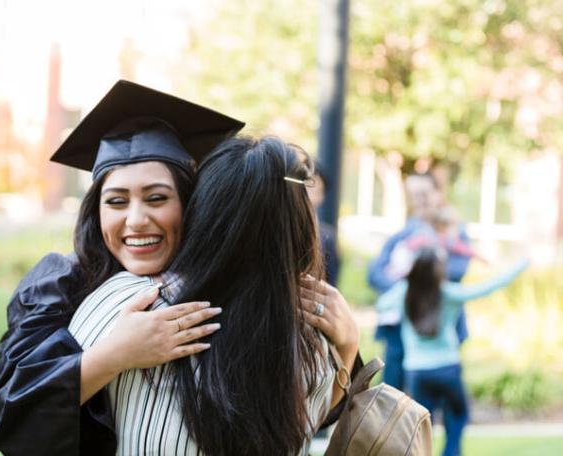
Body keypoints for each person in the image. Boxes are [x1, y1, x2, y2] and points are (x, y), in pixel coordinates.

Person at [0, 80, 245, 455]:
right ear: (97, 211)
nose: (136, 220)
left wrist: (346, 346)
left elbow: (311, 409)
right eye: (117, 201)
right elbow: (8, 413)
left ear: (189, 204)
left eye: (157, 198)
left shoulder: (225, 276)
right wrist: (115, 354)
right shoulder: (62, 282)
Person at [67, 136, 360, 455]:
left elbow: (36, 413)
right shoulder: (313, 332)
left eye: (155, 198)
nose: (136, 220)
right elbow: (309, 422)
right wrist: (347, 346)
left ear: (199, 212)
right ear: (302, 226)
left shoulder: (129, 304)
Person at [376, 247, 529, 456]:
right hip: (448, 368)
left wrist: (400, 277)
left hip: (417, 371)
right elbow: (488, 287)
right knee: (458, 417)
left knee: (422, 426)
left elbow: (382, 304)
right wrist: (523, 262)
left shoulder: (404, 291)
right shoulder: (447, 292)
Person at [367, 172, 471, 390]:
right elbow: (375, 273)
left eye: (424, 193)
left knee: (434, 402)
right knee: (392, 394)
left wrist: (413, 280)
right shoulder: (402, 236)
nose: (419, 199)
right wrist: (409, 289)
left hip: (438, 328)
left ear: (437, 194)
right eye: (413, 194)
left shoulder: (454, 233)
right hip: (400, 332)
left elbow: (458, 269)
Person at [307, 162, 340, 286]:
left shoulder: (327, 237)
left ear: (322, 196)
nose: (306, 189)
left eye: (313, 185)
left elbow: (331, 283)